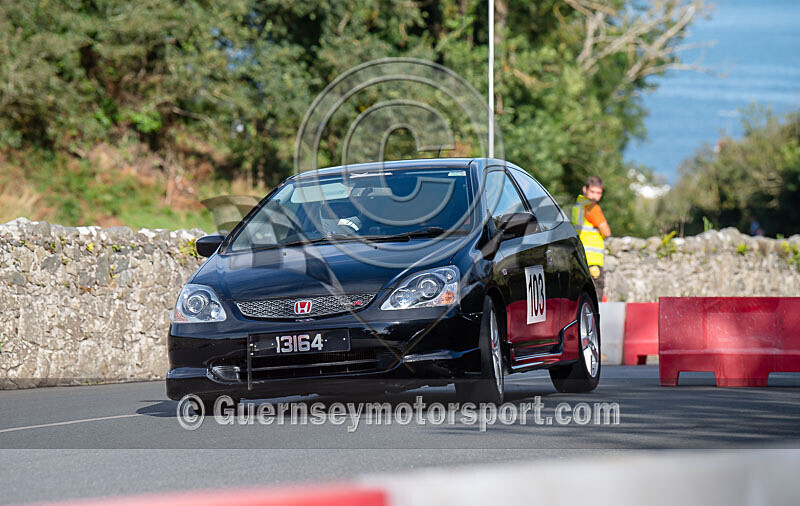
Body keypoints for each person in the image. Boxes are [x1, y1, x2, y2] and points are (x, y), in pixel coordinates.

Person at [571, 176, 611, 300]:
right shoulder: (592, 207)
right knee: (595, 299)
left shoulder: (578, 206)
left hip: (580, 260)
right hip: (593, 262)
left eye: (598, 193)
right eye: (592, 192)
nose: (595, 196)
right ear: (585, 189)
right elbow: (606, 232)